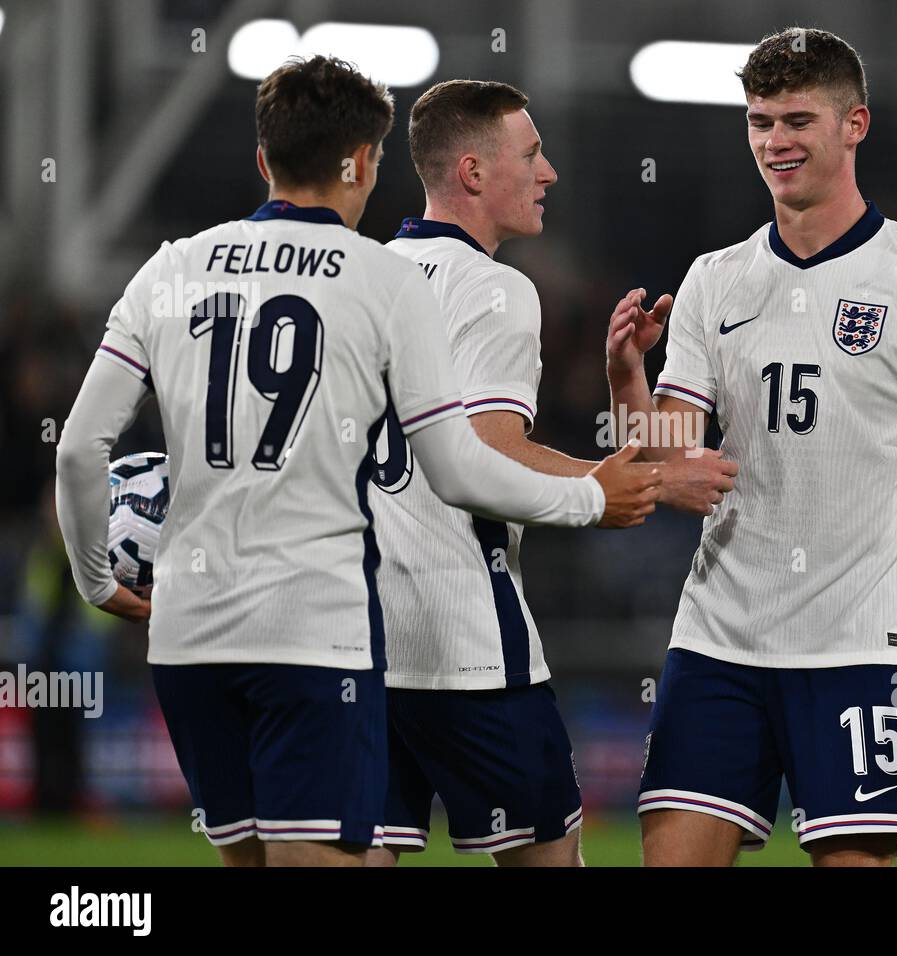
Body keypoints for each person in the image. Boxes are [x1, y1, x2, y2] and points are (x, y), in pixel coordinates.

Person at [54, 56, 657, 868]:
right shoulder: (379, 281)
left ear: (264, 160)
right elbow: (460, 467)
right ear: (366, 162)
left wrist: (98, 581)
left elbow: (81, 447)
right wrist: (592, 497)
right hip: (320, 634)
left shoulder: (169, 267)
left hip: (192, 637)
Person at [605, 28, 897, 866]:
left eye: (798, 120)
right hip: (718, 638)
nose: (775, 142)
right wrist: (628, 378)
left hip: (856, 642)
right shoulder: (715, 278)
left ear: (856, 125)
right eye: (760, 121)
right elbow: (666, 462)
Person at [367, 79, 736, 868]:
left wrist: (623, 384)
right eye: (530, 154)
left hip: (355, 642)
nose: (550, 173)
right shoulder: (498, 291)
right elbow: (488, 450)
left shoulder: (364, 280)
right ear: (472, 172)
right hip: (465, 638)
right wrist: (622, 489)